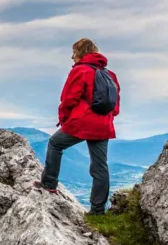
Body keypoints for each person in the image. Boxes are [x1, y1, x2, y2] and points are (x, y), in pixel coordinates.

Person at [34, 38, 121, 215]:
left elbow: (68, 99)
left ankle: (49, 184)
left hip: (81, 122)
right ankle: (97, 211)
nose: (72, 57)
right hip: (103, 124)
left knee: (55, 144)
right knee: (100, 166)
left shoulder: (80, 71)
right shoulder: (110, 75)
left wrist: (64, 118)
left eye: (74, 52)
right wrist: (106, 118)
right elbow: (115, 106)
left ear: (80, 53)